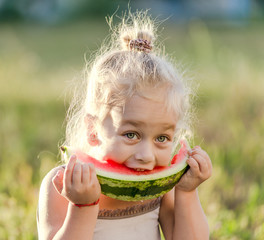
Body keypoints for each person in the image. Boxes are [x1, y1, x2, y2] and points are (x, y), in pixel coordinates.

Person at [37, 11, 212, 240]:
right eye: (131, 134)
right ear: (93, 130)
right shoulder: (61, 185)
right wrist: (84, 206)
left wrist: (187, 192)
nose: (146, 156)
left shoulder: (160, 187)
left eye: (162, 138)